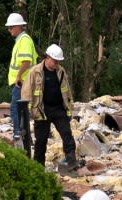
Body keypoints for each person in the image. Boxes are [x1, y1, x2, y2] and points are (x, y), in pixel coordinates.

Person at [24, 44, 78, 170]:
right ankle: (38, 167)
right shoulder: (35, 72)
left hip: (59, 109)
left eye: (58, 61)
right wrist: (31, 110)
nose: (56, 64)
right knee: (41, 140)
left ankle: (72, 163)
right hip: (42, 110)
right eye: (55, 61)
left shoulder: (61, 71)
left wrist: (69, 107)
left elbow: (67, 90)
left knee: (67, 135)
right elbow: (26, 92)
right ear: (47, 58)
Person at [5, 12, 36, 156]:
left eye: (11, 27)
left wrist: (18, 76)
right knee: (20, 111)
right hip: (22, 82)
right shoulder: (21, 40)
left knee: (16, 110)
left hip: (22, 82)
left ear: (18, 26)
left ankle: (19, 137)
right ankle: (23, 138)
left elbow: (26, 61)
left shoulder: (24, 40)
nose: (9, 30)